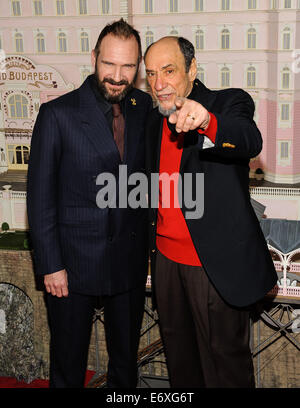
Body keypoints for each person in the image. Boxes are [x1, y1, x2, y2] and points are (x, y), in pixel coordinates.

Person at [144, 36, 277, 388]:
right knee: (181, 364)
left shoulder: (227, 102)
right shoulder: (150, 115)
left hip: (213, 266)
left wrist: (207, 122)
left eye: (169, 71)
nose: (159, 84)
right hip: (166, 263)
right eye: (152, 74)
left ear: (192, 69)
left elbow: (248, 139)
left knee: (225, 370)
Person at [27, 19, 153, 388]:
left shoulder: (142, 107)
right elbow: (40, 198)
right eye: (109, 64)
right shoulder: (58, 114)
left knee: (125, 366)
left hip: (128, 262)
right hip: (70, 267)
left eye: (128, 66)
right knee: (68, 365)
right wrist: (51, 266)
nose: (117, 75)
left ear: (138, 67)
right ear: (94, 57)